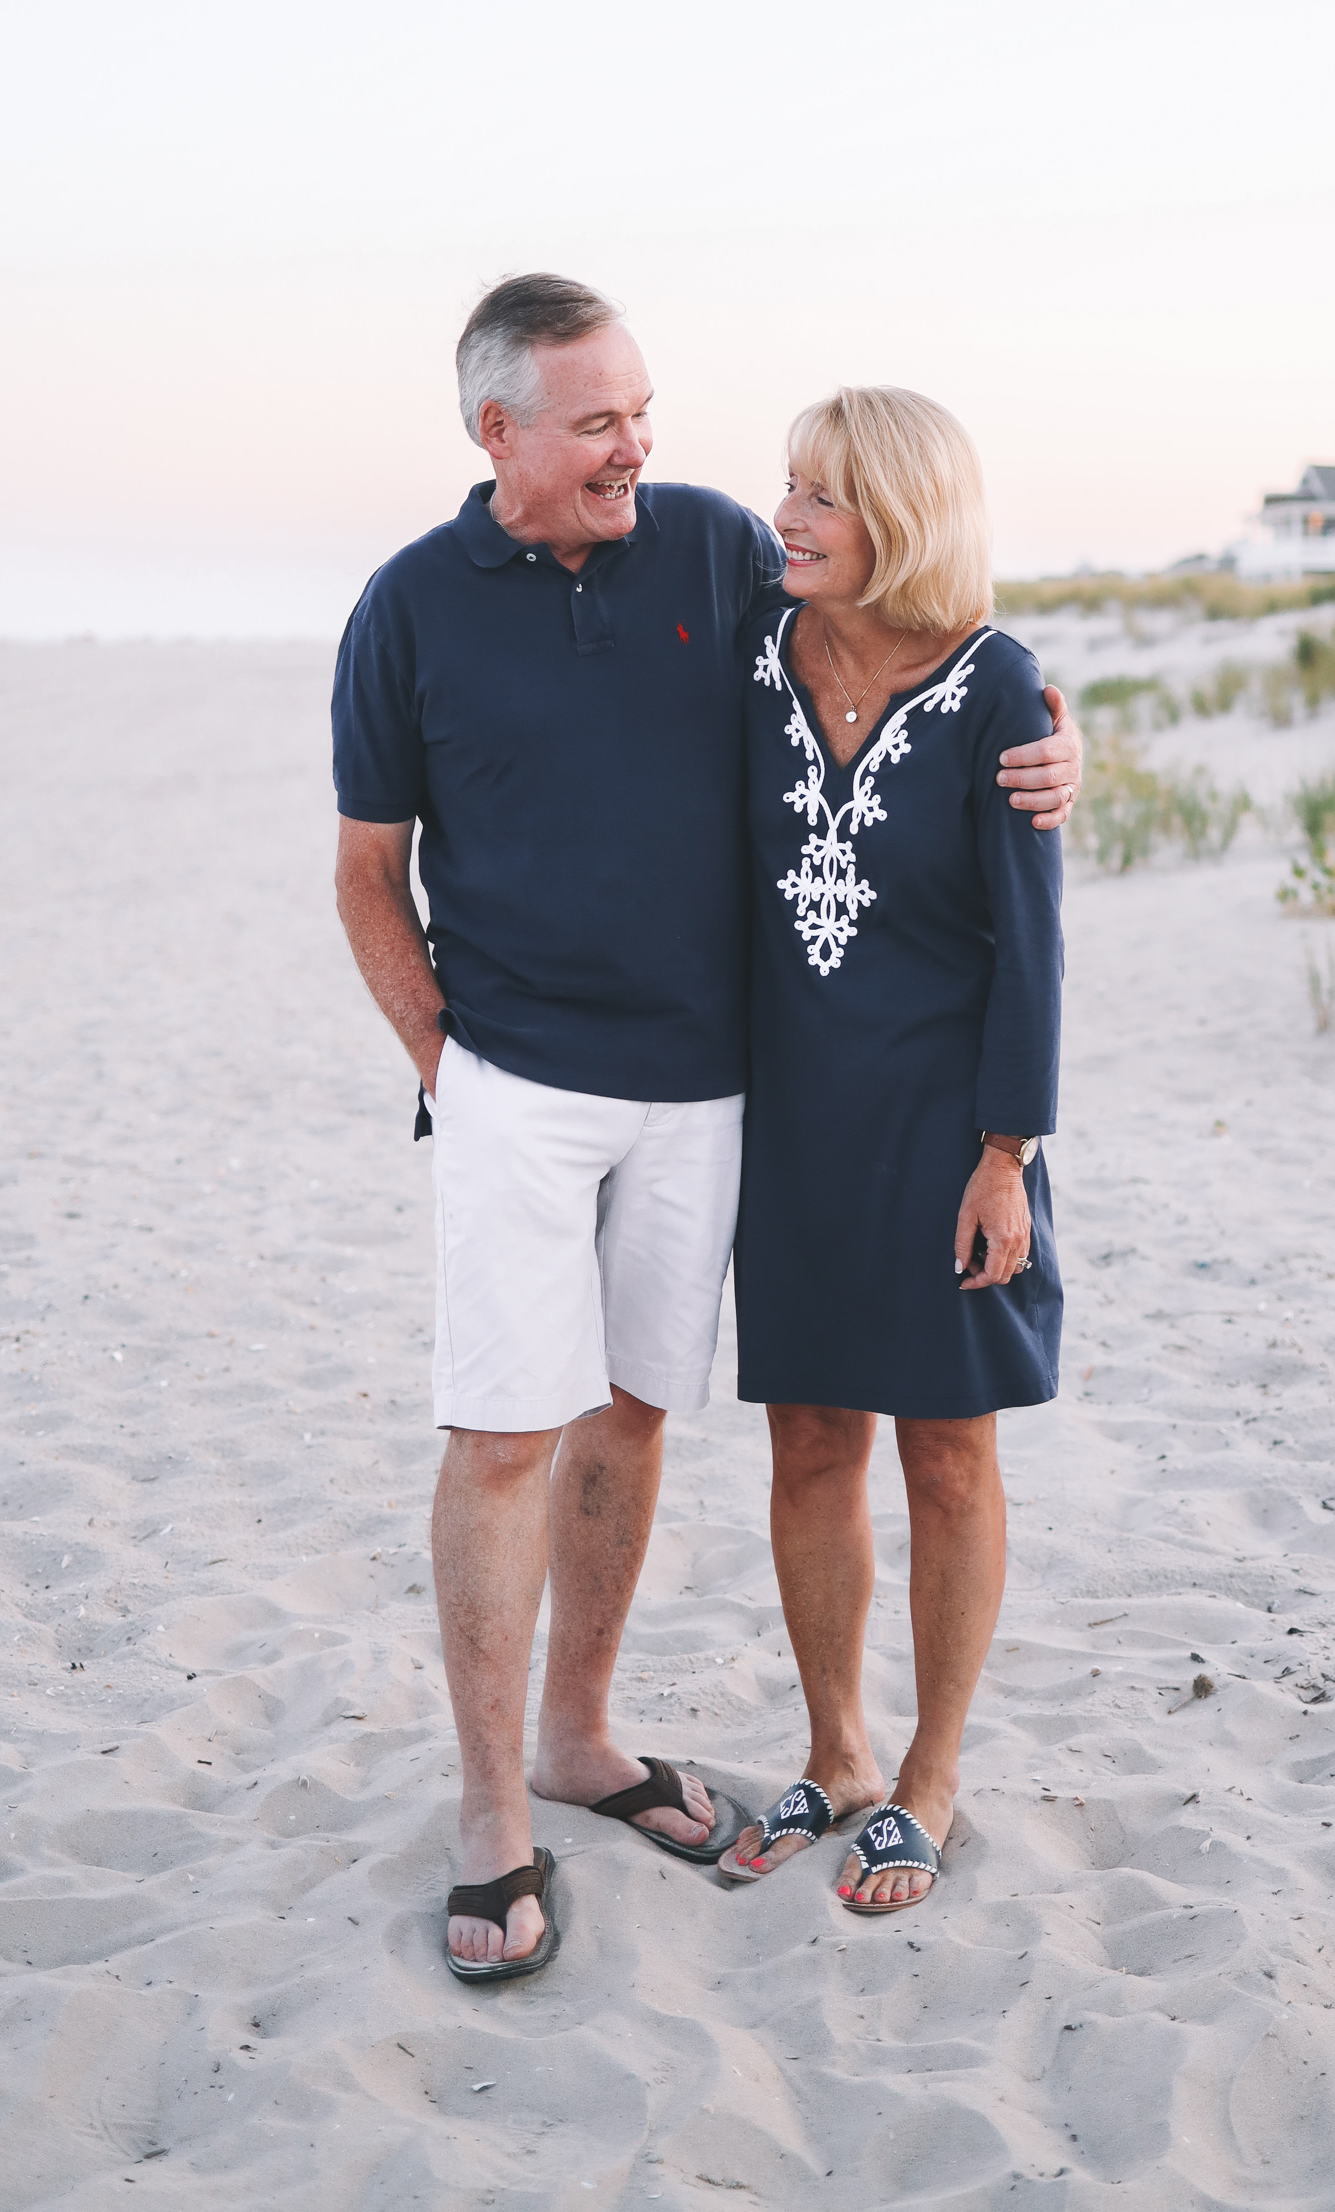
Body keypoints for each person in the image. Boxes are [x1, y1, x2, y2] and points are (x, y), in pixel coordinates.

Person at [331, 280, 1082, 1978]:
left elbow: (962, 704)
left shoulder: (739, 563)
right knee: (546, 1434)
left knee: (687, 1424)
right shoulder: (437, 610)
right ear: (498, 432)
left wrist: (1056, 751)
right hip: (597, 1096)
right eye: (598, 423)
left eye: (641, 415)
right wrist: (455, 1069)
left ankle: (686, 1751)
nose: (641, 451)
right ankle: (529, 1803)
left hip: (785, 1111)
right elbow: (366, 869)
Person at [724, 386, 1062, 1912]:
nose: (786, 516)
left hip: (946, 1129)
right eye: (787, 486)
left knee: (947, 1450)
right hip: (788, 1119)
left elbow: (1030, 946)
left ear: (903, 520)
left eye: (824, 496)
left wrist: (1009, 1153)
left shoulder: (999, 688)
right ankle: (837, 1750)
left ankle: (931, 1770)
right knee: (809, 1441)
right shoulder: (753, 647)